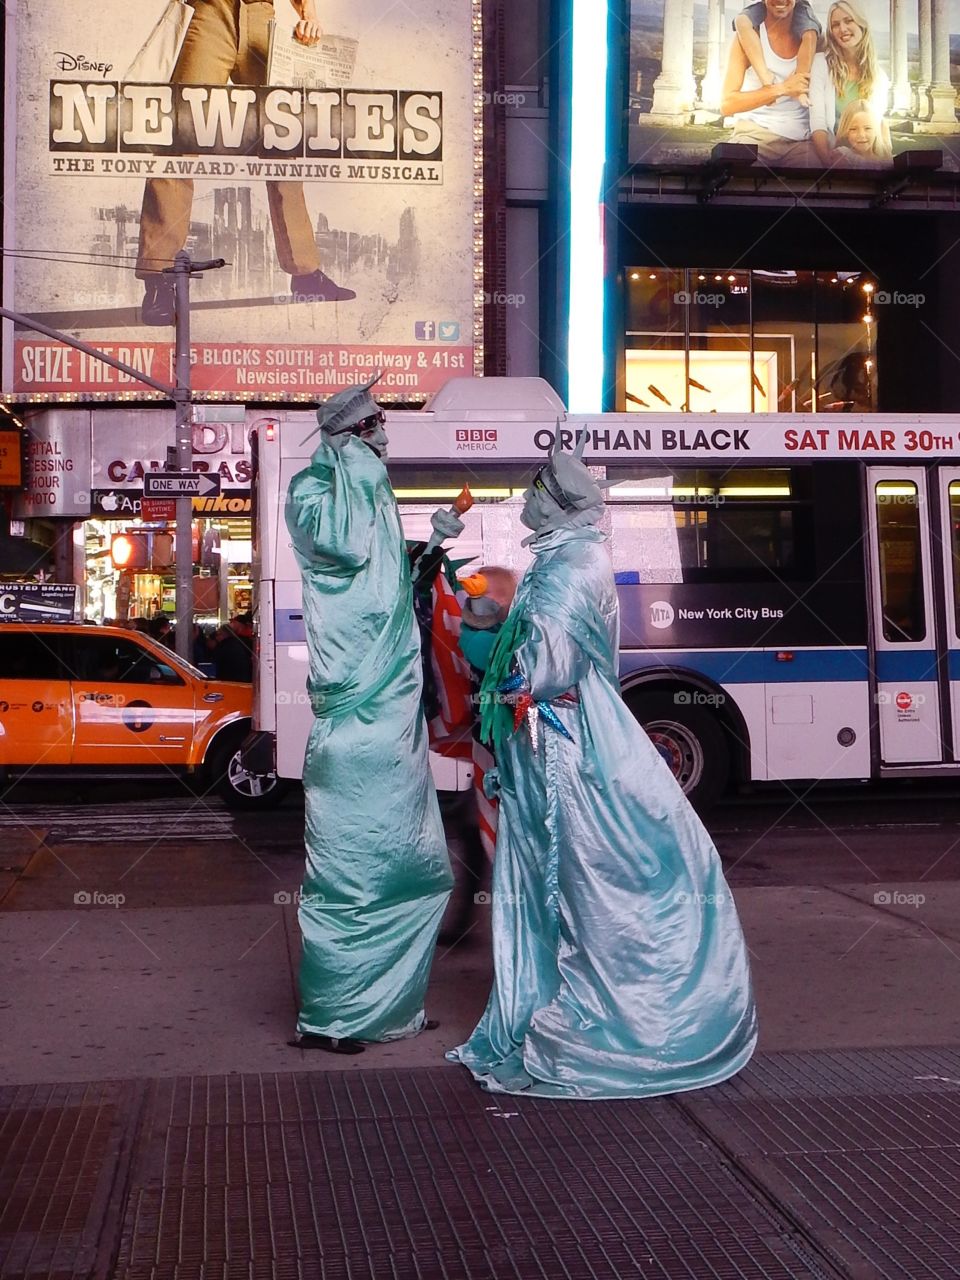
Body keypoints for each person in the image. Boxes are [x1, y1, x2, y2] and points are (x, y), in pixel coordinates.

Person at [446, 439, 757, 1098]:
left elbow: (547, 664)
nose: (526, 501)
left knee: (586, 878)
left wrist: (503, 679)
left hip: (569, 747)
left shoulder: (570, 566)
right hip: (554, 740)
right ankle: (562, 1001)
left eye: (535, 492)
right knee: (568, 878)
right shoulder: (560, 558)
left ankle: (621, 1020)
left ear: (557, 506)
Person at [284, 375, 461, 1054]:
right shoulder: (317, 491)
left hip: (392, 718)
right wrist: (353, 458)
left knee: (408, 867)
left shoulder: (364, 490)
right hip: (353, 719)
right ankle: (335, 1017)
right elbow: (346, 550)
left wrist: (433, 542)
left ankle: (389, 1008)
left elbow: (384, 581)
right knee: (351, 876)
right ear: (352, 434)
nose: (385, 436)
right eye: (375, 426)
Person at [136, 0, 355, 324]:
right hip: (210, 14)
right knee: (179, 137)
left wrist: (308, 13)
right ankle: (159, 282)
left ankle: (305, 274)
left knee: (283, 140)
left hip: (261, 17)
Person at [720, 0, 818, 167]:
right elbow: (727, 105)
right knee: (737, 180)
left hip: (801, 141)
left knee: (815, 182)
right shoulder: (749, 36)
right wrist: (781, 89)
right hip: (754, 135)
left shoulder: (813, 37)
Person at [809, 1, 890, 166]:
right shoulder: (820, 64)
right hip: (832, 155)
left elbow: (877, 126)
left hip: (866, 157)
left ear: (861, 24)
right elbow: (817, 121)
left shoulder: (879, 76)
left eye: (848, 21)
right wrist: (828, 164)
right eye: (836, 25)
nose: (842, 29)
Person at [733, 0, 821, 109]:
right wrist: (775, 90)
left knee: (810, 32)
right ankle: (766, 80)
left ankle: (800, 87)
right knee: (741, 21)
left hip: (800, 5)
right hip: (757, 119)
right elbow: (727, 104)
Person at [834, 99, 892, 166]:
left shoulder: (884, 159)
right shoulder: (842, 155)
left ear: (876, 130)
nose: (861, 135)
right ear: (845, 132)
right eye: (853, 129)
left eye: (868, 128)